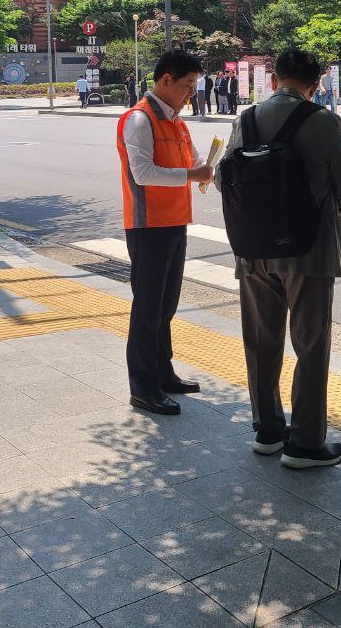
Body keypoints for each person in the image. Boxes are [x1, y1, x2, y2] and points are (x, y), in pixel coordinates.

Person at [216, 48, 341, 468]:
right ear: (315, 84)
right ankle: (306, 443)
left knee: (261, 340)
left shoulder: (247, 118)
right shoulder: (325, 121)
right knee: (311, 343)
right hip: (308, 251)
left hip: (254, 249)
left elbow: (226, 179)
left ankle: (268, 430)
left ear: (274, 78)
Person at [117, 49, 213, 415]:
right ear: (166, 80)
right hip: (148, 226)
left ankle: (163, 372)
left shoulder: (177, 121)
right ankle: (142, 387)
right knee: (147, 309)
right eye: (187, 85)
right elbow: (142, 172)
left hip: (174, 222)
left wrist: (208, 166)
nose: (191, 92)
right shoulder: (139, 119)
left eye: (195, 85)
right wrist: (192, 175)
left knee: (166, 306)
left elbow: (193, 158)